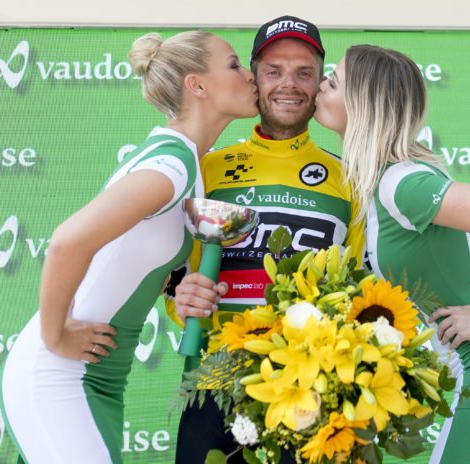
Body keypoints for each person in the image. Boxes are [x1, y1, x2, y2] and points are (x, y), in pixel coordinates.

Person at [0, 31, 257, 463]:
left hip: (98, 378)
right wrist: (54, 334)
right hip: (59, 375)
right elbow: (66, 242)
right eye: (234, 64)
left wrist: (179, 286)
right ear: (197, 85)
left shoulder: (187, 161)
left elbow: (131, 261)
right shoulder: (171, 166)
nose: (249, 75)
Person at [314, 44, 470, 463]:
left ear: (364, 106)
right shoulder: (374, 186)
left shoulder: (401, 182)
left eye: (333, 81)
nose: (321, 84)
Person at [168, 16, 365, 464]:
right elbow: (174, 268)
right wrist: (180, 296)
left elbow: (362, 284)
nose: (288, 85)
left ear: (321, 83)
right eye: (274, 71)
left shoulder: (351, 178)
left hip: (315, 389)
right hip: (215, 381)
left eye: (304, 73)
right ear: (254, 79)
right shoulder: (207, 167)